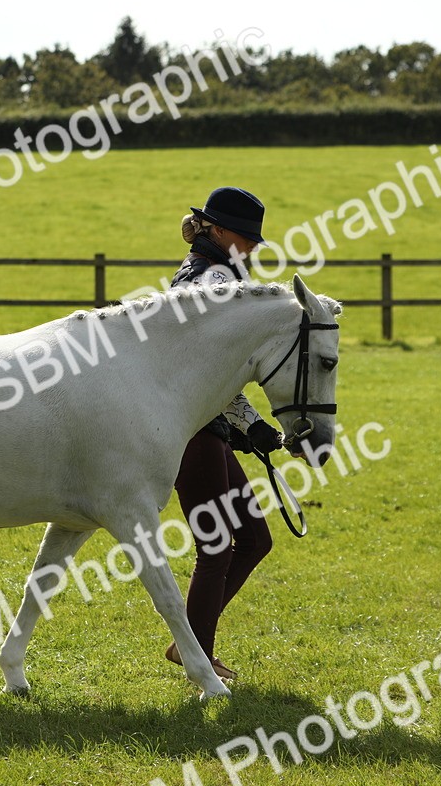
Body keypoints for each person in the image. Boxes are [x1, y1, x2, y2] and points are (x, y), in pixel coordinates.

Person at [164, 186, 283, 682]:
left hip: (207, 425)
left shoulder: (220, 272)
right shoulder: (211, 280)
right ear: (216, 230)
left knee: (255, 538)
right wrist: (251, 424)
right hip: (191, 428)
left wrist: (248, 428)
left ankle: (186, 645)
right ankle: (197, 656)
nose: (253, 246)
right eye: (245, 236)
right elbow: (200, 369)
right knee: (216, 546)